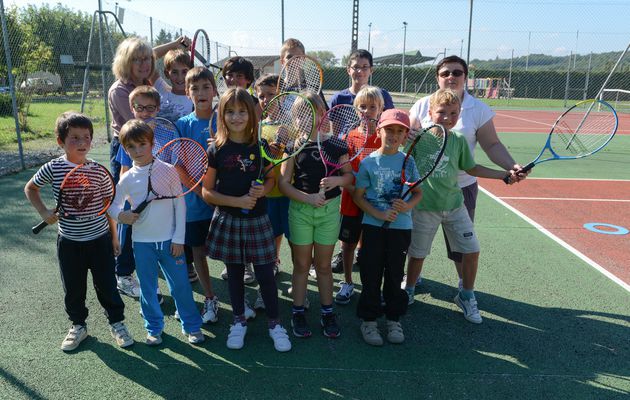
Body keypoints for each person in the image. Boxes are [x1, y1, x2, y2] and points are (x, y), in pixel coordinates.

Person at [406, 55, 527, 289]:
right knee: (416, 244)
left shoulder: (477, 109)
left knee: (461, 247)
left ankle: (464, 288)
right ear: (437, 77)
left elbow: (491, 144)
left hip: (461, 190)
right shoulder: (423, 104)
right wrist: (408, 133)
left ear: (465, 77)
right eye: (445, 73)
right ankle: (411, 281)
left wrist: (510, 167)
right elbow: (409, 134)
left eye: (457, 72)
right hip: (425, 191)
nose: (451, 77)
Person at [404, 89, 519, 324]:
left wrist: (503, 175)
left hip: (455, 206)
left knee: (471, 250)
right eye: (442, 112)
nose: (447, 117)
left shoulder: (458, 141)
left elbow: (472, 168)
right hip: (425, 207)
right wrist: (403, 137)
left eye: (453, 113)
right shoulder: (417, 138)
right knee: (417, 254)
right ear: (429, 112)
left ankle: (466, 295)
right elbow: (401, 161)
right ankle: (409, 289)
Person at [24, 112, 134, 351]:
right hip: (69, 243)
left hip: (100, 241)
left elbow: (107, 206)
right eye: (74, 138)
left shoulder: (97, 170)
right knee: (73, 288)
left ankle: (117, 323)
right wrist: (44, 212)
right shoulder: (53, 168)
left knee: (107, 285)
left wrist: (114, 237)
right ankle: (78, 326)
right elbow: (30, 188)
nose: (82, 143)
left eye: (86, 137)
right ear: (60, 142)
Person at [202, 88, 291, 352]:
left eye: (242, 111)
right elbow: (207, 192)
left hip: (258, 221)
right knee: (236, 274)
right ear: (222, 115)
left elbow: (272, 178)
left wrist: (262, 190)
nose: (237, 117)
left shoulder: (261, 147)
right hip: (229, 219)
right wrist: (238, 202)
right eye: (230, 111)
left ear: (252, 115)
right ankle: (238, 320)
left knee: (265, 274)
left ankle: (275, 324)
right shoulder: (215, 149)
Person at [108, 119, 205, 345]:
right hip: (142, 244)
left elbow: (179, 206)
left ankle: (191, 326)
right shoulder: (127, 178)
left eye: (142, 144)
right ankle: (153, 328)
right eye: (131, 147)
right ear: (124, 149)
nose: (138, 150)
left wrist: (179, 239)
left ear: (152, 144)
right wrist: (122, 216)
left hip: (171, 241)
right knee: (148, 289)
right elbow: (113, 206)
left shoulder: (169, 171)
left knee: (180, 286)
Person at [278, 92, 353, 339]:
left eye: (313, 112)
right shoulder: (292, 146)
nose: (308, 118)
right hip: (300, 211)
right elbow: (284, 184)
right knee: (300, 265)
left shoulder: (337, 145)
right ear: (294, 119)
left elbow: (350, 178)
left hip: (329, 213)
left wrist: (337, 180)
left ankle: (327, 312)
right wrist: (307, 198)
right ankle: (298, 311)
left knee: (323, 266)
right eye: (301, 114)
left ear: (323, 114)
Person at [351, 109, 422, 346]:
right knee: (371, 274)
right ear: (379, 131)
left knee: (394, 275)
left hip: (401, 229)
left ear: (405, 136)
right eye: (389, 130)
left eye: (399, 131)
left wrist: (406, 206)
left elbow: (418, 193)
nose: (393, 135)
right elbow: (359, 197)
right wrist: (379, 213)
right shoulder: (368, 162)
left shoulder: (408, 161)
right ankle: (369, 321)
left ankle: (393, 318)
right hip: (372, 227)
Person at [176, 66, 238, 324]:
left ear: (214, 90)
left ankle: (238, 298)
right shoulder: (182, 125)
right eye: (194, 88)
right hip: (194, 201)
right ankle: (210, 298)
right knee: (198, 250)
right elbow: (178, 165)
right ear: (187, 93)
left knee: (232, 251)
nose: (200, 92)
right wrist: (202, 192)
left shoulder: (226, 120)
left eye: (205, 87)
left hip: (224, 200)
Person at [108, 37, 155, 298]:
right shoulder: (120, 90)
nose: (143, 63)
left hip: (148, 152)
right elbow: (139, 130)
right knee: (129, 212)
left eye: (146, 58)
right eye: (136, 59)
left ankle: (141, 264)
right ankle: (123, 273)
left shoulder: (145, 84)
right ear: (126, 62)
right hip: (127, 153)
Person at [334, 86, 384, 305]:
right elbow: (344, 170)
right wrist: (354, 190)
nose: (367, 111)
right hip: (351, 202)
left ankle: (373, 286)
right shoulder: (349, 137)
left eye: (372, 107)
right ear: (355, 109)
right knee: (347, 245)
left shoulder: (384, 137)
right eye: (362, 106)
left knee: (373, 248)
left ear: (381, 109)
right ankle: (347, 282)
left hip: (375, 204)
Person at [251, 74, 288, 311]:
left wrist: (283, 147)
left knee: (284, 237)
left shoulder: (289, 126)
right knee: (264, 241)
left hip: (285, 193)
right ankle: (265, 286)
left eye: (271, 95)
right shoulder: (255, 126)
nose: (266, 100)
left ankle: (295, 284)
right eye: (261, 95)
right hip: (264, 195)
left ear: (282, 96)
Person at [329, 49, 395, 110]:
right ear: (348, 70)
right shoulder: (338, 99)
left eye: (365, 67)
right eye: (356, 67)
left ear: (371, 70)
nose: (360, 71)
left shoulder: (383, 96)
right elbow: (330, 122)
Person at [151, 37, 194, 123]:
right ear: (167, 74)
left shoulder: (194, 99)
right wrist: (174, 44)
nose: (180, 77)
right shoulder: (161, 88)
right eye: (174, 72)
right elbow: (149, 56)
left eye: (184, 72)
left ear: (191, 72)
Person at [279, 38, 328, 110]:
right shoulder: (276, 89)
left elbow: (325, 116)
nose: (294, 60)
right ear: (282, 61)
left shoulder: (314, 89)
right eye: (289, 57)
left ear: (304, 59)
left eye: (298, 57)